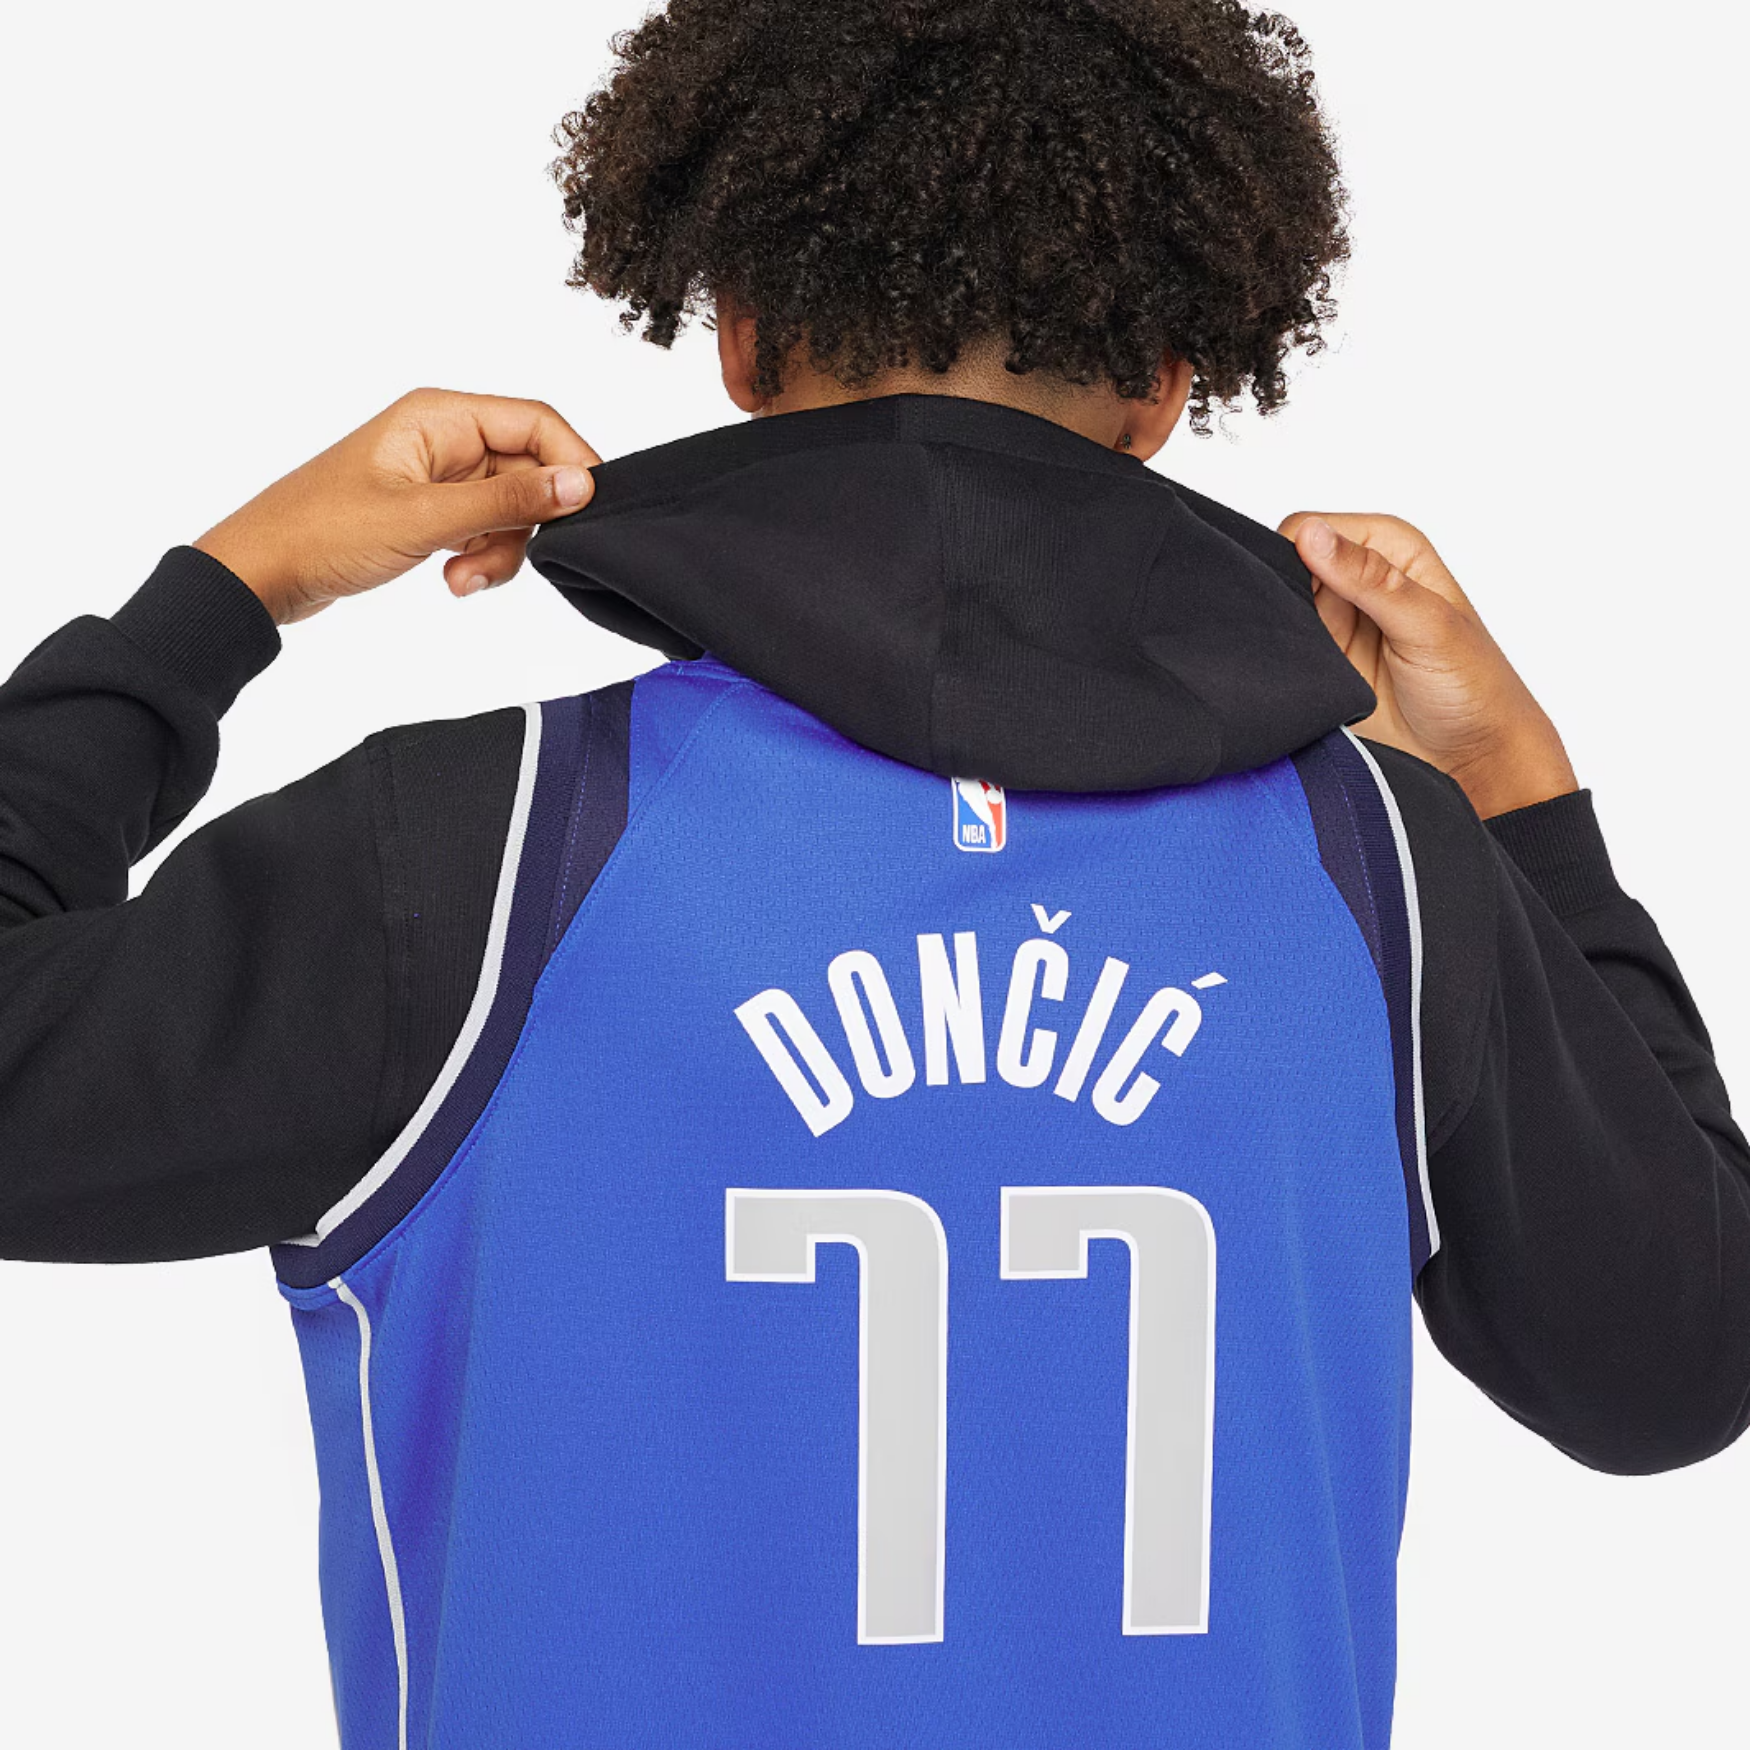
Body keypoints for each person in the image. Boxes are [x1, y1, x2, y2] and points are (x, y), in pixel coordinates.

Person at [2, 0, 1746, 1745]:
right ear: (1163, 388)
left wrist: (231, 589)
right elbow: (1680, 1355)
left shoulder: (483, 850)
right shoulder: (1382, 877)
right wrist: (1515, 797)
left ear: (743, 343)